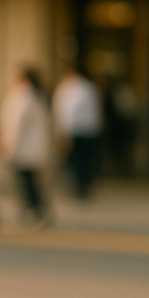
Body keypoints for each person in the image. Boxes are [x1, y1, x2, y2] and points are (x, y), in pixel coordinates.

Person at [0, 68, 51, 225]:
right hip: (31, 148)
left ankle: (34, 209)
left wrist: (7, 143)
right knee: (30, 181)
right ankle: (36, 209)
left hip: (22, 148)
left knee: (26, 183)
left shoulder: (21, 97)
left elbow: (15, 124)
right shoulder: (37, 96)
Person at [53, 64, 102, 198]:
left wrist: (64, 132)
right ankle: (82, 185)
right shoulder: (89, 88)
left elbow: (68, 113)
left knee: (77, 160)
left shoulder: (71, 89)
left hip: (76, 130)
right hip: (88, 130)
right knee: (83, 160)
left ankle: (80, 186)